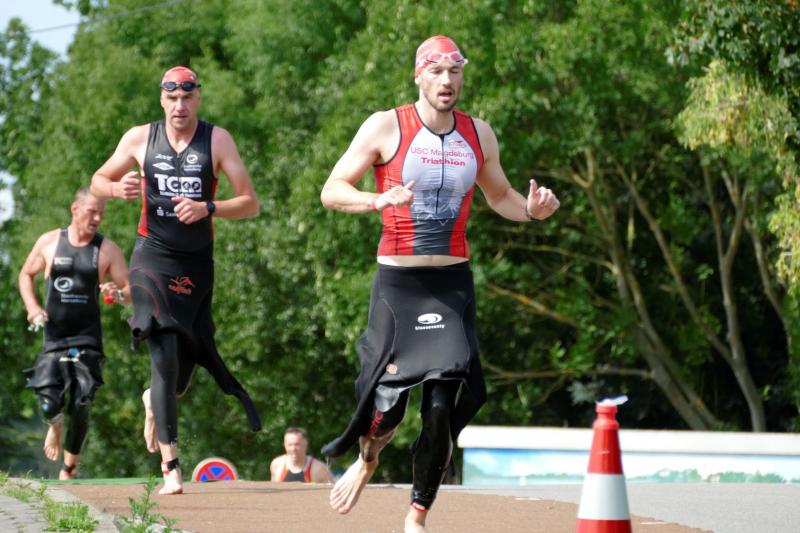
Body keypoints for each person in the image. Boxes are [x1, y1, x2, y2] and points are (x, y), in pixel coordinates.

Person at [319, 35, 560, 532]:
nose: (447, 81)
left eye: (455, 71)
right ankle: (368, 458)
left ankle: (417, 515)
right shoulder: (387, 126)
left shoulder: (479, 134)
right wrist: (376, 201)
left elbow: (501, 196)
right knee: (386, 413)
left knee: (439, 409)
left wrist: (532, 212)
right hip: (399, 286)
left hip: (451, 285)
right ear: (418, 76)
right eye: (436, 71)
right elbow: (332, 190)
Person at [90, 66, 262, 495]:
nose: (180, 106)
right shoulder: (139, 138)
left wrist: (209, 207)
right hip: (151, 257)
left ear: (197, 98)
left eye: (187, 97)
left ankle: (154, 399)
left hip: (196, 265)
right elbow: (97, 180)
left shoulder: (217, 140)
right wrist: (115, 191)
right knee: (163, 352)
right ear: (162, 99)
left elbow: (249, 203)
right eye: (172, 98)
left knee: (181, 372)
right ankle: (171, 467)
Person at [19, 188, 130, 480]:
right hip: (55, 339)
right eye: (92, 212)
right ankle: (54, 425)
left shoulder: (107, 250)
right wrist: (32, 307)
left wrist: (117, 294)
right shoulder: (49, 242)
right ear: (75, 209)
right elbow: (25, 274)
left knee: (82, 402)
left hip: (88, 339)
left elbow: (130, 290)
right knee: (48, 402)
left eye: (101, 214)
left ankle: (68, 469)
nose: (97, 218)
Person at [270, 427, 334, 483]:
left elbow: (332, 491)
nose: (293, 449)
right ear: (284, 445)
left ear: (306, 445)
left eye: (297, 444)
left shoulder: (319, 469)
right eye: (290, 445)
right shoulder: (277, 465)